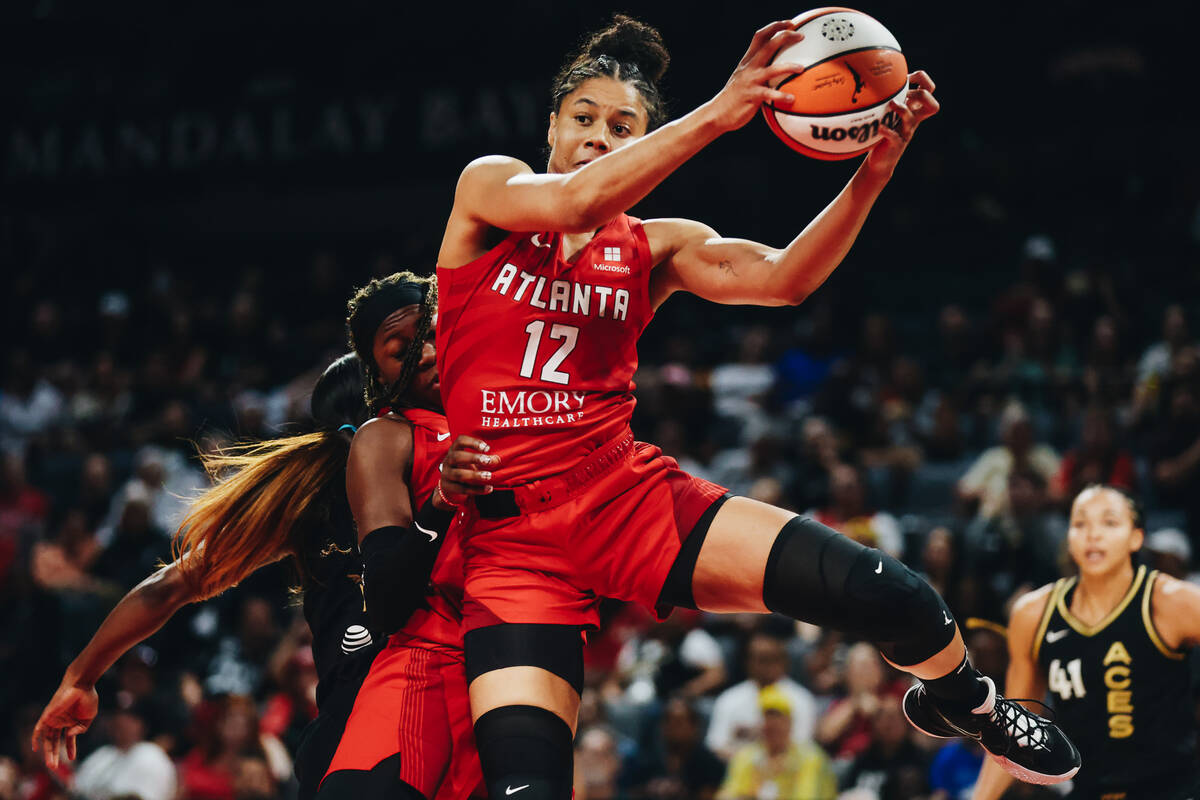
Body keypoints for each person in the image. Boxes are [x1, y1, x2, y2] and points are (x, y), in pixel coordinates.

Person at [433, 13, 1080, 800]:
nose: (601, 137)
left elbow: (783, 280)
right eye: (585, 120)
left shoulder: (655, 245)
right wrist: (723, 108)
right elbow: (572, 204)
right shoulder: (488, 189)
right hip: (512, 548)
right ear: (551, 127)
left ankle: (969, 703)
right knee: (526, 789)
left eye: (624, 127)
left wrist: (875, 166)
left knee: (899, 599)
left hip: (623, 498)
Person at [31, 275, 483, 800]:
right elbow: (175, 583)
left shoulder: (456, 456)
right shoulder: (324, 486)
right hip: (395, 724)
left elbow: (172, 585)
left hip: (408, 718)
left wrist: (81, 675)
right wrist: (80, 676)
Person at [964, 485, 1200, 799]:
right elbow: (1012, 730)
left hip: (1174, 789)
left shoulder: (1172, 602)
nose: (1093, 534)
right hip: (1088, 790)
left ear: (1136, 537)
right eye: (1080, 524)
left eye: (1109, 523)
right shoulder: (1033, 614)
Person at [716, 685, 836, 800]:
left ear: (790, 723)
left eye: (778, 718)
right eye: (767, 719)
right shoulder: (746, 757)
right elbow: (728, 795)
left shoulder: (810, 758)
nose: (772, 724)